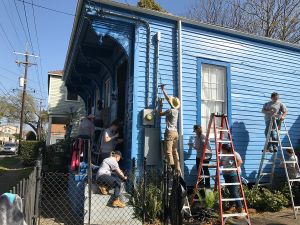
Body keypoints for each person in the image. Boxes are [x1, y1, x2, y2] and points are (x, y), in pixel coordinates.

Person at [159, 84, 181, 174]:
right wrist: (163, 90)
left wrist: (160, 105)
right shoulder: (176, 110)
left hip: (170, 132)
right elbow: (169, 99)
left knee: (168, 152)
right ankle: (178, 169)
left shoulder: (170, 111)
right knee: (175, 151)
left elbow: (160, 113)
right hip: (176, 132)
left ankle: (172, 169)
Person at [220, 144, 245, 214]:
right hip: (226, 174)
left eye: (222, 150)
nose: (222, 151)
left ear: (225, 149)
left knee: (234, 191)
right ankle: (231, 207)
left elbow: (240, 162)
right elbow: (221, 163)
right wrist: (215, 165)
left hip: (234, 174)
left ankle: (240, 208)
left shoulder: (235, 153)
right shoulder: (223, 155)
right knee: (231, 191)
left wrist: (232, 168)